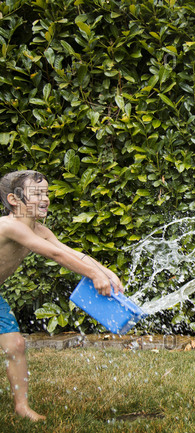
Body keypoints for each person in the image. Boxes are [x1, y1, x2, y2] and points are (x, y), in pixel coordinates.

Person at [0, 170, 123, 421]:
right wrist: (93, 275)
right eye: (37, 194)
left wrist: (105, 272)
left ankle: (21, 407)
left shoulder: (40, 230)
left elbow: (68, 252)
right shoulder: (9, 227)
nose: (45, 199)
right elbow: (55, 256)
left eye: (46, 193)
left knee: (16, 344)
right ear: (14, 199)